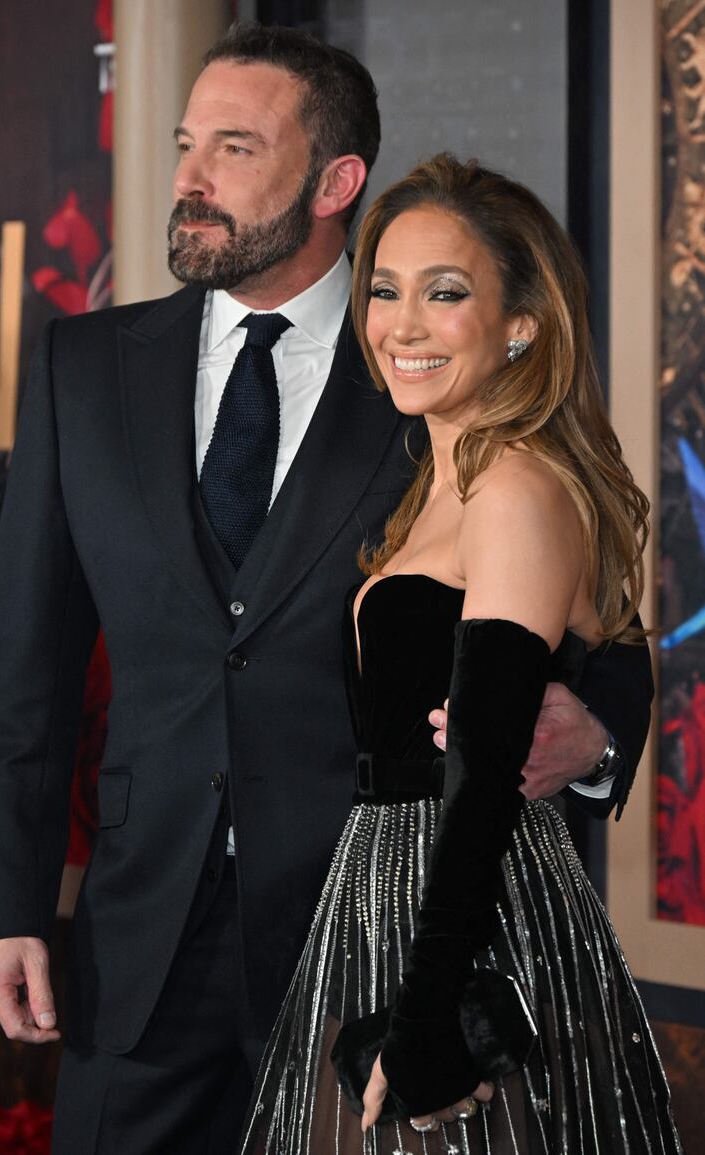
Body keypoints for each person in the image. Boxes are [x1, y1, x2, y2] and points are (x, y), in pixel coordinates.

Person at [0, 25, 652, 1155]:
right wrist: (0, 908)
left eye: (233, 148)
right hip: (142, 941)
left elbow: (602, 624)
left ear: (335, 181)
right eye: (186, 144)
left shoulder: (436, 364)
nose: (187, 179)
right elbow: (21, 664)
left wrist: (596, 731)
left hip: (373, 935)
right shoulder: (84, 371)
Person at [237, 153, 682, 1154]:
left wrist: (427, 1018)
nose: (400, 325)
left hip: (464, 911)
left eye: (444, 295)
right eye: (384, 291)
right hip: (375, 894)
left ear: (520, 321)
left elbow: (480, 784)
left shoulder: (514, 489)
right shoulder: (429, 478)